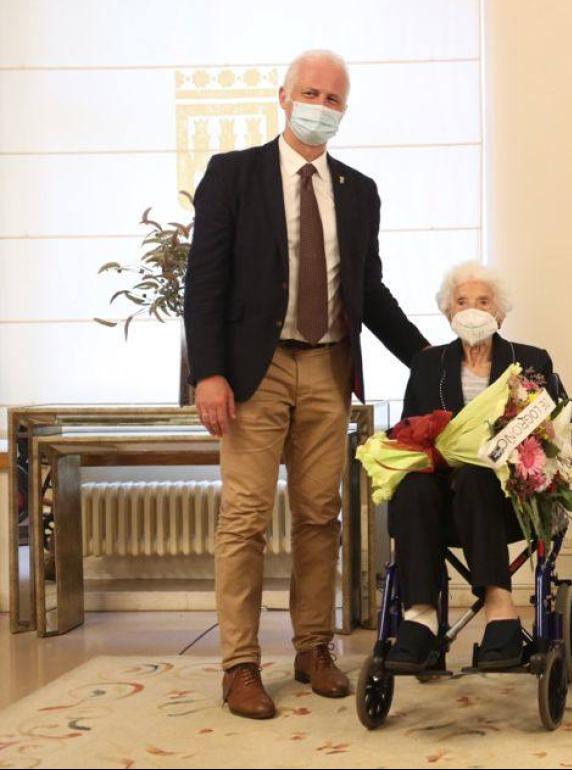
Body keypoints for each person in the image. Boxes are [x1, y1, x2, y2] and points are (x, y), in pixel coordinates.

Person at [184, 49, 428, 719]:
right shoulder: (234, 176)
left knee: (323, 516)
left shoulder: (359, 190)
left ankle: (313, 648)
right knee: (245, 520)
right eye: (311, 92)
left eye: (333, 99)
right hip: (251, 374)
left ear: (344, 110)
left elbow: (368, 291)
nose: (321, 106)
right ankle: (239, 665)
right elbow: (203, 281)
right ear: (284, 96)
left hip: (327, 368)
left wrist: (426, 359)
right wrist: (207, 371)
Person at [386, 262, 565, 670]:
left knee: (476, 475)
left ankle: (500, 609)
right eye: (462, 302)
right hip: (438, 503)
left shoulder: (530, 360)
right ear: (448, 313)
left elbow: (553, 429)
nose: (472, 310)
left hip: (504, 502)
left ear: (499, 312)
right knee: (412, 487)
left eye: (482, 301)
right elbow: (407, 432)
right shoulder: (428, 365)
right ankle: (420, 617)